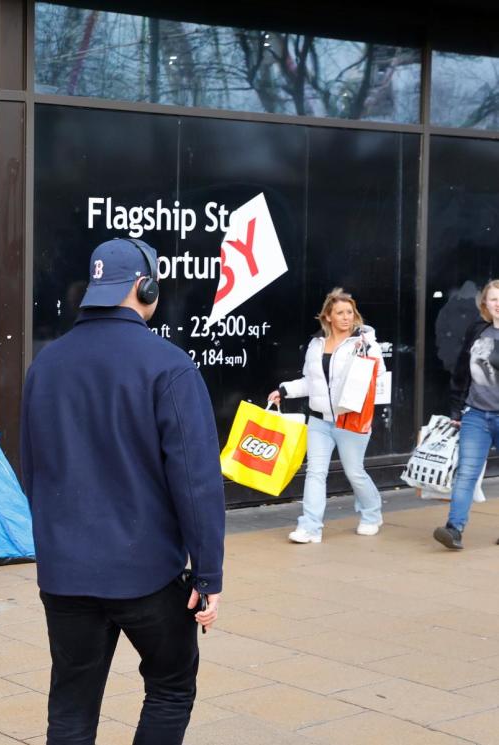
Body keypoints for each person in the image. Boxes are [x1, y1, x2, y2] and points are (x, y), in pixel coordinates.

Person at [21, 238, 225, 745]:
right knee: (171, 686)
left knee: (70, 706)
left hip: (65, 573)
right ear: (145, 286)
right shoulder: (169, 365)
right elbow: (196, 482)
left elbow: (33, 471)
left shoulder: (45, 364)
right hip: (147, 574)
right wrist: (208, 571)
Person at [268, 288, 385, 544]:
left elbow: (376, 378)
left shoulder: (363, 343)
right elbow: (311, 382)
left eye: (350, 313)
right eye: (340, 313)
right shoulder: (316, 344)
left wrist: (369, 349)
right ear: (328, 317)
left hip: (350, 419)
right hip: (319, 420)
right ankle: (310, 527)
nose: (346, 317)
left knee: (354, 472)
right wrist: (284, 390)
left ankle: (371, 514)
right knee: (315, 473)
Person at [435, 279, 499, 550]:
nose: (498, 304)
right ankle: (454, 529)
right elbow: (462, 371)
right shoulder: (478, 330)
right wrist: (457, 408)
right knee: (467, 474)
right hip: (476, 414)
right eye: (494, 299)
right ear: (485, 303)